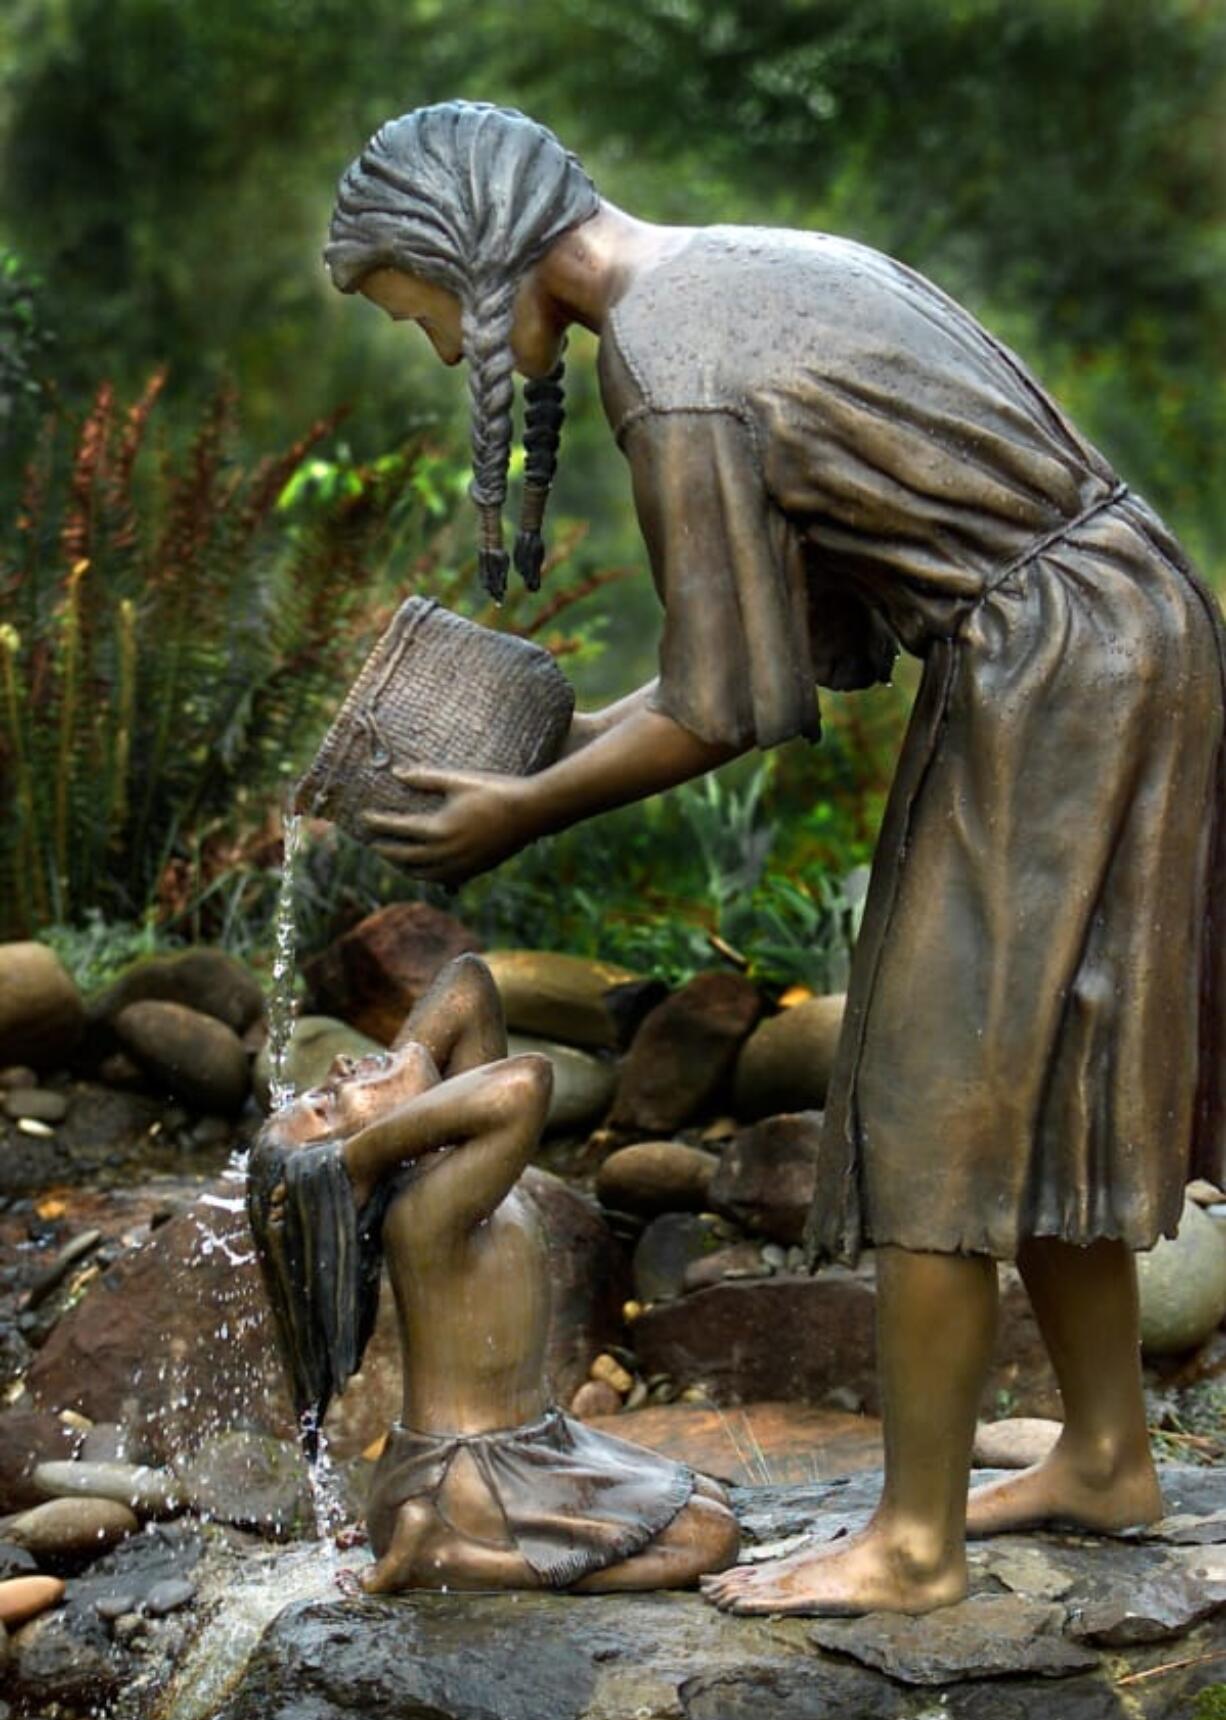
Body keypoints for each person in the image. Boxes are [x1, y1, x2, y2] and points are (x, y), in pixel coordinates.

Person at [324, 102, 1225, 1615]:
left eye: (418, 313)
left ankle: (916, 1545)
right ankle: (1103, 1451)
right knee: (1035, 1068)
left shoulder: (664, 370)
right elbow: (747, 660)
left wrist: (514, 810)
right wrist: (554, 749)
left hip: (1057, 672)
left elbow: (722, 706)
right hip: (1104, 634)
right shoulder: (720, 272)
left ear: (465, 260)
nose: (432, 348)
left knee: (937, 1086)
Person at [247, 954, 739, 1594]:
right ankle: (459, 1561)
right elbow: (527, 1081)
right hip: (467, 1478)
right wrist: (359, 1155)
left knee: (709, 1497)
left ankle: (449, 1548)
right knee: (711, 1538)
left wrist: (400, 1072)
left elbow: (468, 985)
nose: (339, 1069)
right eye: (330, 1106)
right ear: (348, 1172)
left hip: (528, 1448)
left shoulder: (445, 1161)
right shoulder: (424, 1210)